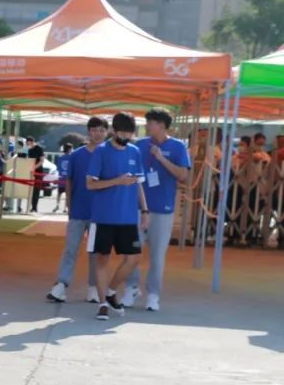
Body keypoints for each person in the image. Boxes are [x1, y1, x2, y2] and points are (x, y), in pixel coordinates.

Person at [122, 108, 191, 312]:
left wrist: (161, 159)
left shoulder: (178, 147)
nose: (147, 126)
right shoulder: (139, 145)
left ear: (161, 124)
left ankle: (153, 294)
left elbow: (183, 176)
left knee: (157, 256)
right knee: (131, 251)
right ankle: (131, 288)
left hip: (163, 210)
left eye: (150, 122)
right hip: (137, 209)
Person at [86, 112, 149, 321]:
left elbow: (138, 183)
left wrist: (145, 210)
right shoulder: (101, 151)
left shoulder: (135, 151)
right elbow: (91, 184)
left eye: (130, 133)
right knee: (102, 259)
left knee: (134, 258)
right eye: (122, 132)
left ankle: (111, 291)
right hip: (103, 216)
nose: (126, 136)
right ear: (114, 131)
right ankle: (102, 303)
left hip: (128, 216)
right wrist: (117, 181)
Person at [47, 118, 106, 304]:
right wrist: (69, 205)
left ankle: (93, 287)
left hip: (100, 213)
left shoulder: (109, 155)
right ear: (89, 132)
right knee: (70, 250)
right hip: (78, 211)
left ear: (106, 132)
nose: (98, 134)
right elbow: (70, 181)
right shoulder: (76, 155)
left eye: (102, 130)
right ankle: (61, 286)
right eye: (95, 130)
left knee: (95, 252)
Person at [26, 137, 45, 213]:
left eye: (28, 143)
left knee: (36, 190)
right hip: (31, 172)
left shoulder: (39, 148)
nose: (27, 144)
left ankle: (34, 207)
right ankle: (31, 206)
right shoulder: (29, 150)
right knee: (31, 190)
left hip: (38, 171)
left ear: (31, 141)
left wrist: (34, 167)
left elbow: (41, 160)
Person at [54, 143, 73, 213]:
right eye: (71, 149)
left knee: (59, 193)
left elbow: (58, 168)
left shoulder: (60, 158)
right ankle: (65, 208)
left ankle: (57, 205)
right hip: (67, 178)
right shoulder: (71, 157)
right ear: (69, 149)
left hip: (61, 177)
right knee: (67, 193)